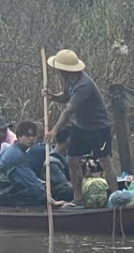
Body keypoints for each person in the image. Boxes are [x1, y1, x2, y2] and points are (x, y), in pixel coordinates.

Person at [45, 48, 117, 203]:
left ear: (65, 69)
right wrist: (53, 97)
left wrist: (55, 129)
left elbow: (69, 110)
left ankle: (115, 195)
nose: (57, 71)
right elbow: (65, 97)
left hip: (98, 128)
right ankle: (77, 198)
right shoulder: (68, 80)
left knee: (105, 161)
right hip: (81, 127)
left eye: (59, 68)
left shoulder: (84, 85)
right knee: (72, 160)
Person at [0, 121, 69, 208]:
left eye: (33, 135)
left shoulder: (18, 150)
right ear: (19, 137)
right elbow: (31, 182)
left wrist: (39, 181)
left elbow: (27, 176)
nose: (31, 138)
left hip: (3, 190)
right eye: (27, 136)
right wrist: (51, 201)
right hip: (1, 194)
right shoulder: (16, 155)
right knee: (39, 197)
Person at [29, 126, 75, 203]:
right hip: (58, 196)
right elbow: (66, 186)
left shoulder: (67, 157)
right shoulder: (52, 162)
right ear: (68, 140)